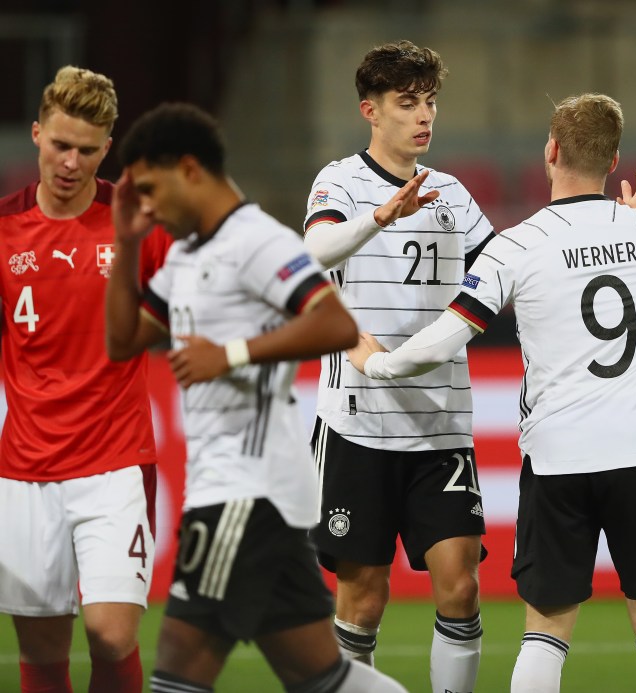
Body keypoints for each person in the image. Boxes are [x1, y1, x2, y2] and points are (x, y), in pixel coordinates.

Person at [347, 92, 636, 693]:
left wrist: (379, 364)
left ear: (552, 150)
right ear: (613, 159)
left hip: (559, 456)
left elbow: (446, 336)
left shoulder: (519, 243)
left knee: (545, 629)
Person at [104, 102, 406, 693]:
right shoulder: (187, 254)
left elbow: (336, 326)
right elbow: (122, 341)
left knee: (179, 663)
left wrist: (232, 353)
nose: (148, 205)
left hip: (245, 490)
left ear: (189, 169)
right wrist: (126, 242)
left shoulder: (257, 240)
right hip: (242, 488)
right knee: (321, 676)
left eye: (150, 187)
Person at [301, 40, 494, 692]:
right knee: (363, 598)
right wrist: (381, 215)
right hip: (358, 425)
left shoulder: (452, 193)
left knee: (461, 584)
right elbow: (316, 247)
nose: (423, 116)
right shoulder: (339, 182)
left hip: (441, 425)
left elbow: (502, 271)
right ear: (370, 110)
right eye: (407, 102)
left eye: (430, 102)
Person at [0, 66, 171, 693]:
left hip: (114, 466)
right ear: (38, 134)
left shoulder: (137, 225)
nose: (71, 161)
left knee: (110, 633)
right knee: (43, 653)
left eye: (88, 150)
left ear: (107, 150)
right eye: (61, 145)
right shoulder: (4, 230)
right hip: (24, 471)